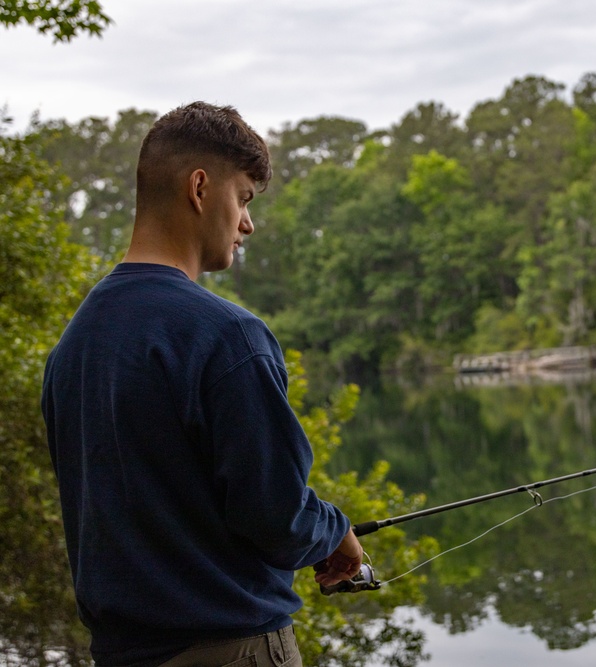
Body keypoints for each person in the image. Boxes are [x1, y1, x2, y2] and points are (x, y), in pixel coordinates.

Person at [41, 101, 362, 667]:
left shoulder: (75, 344)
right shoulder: (228, 336)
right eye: (243, 198)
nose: (247, 223)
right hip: (230, 649)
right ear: (200, 188)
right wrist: (334, 531)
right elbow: (278, 517)